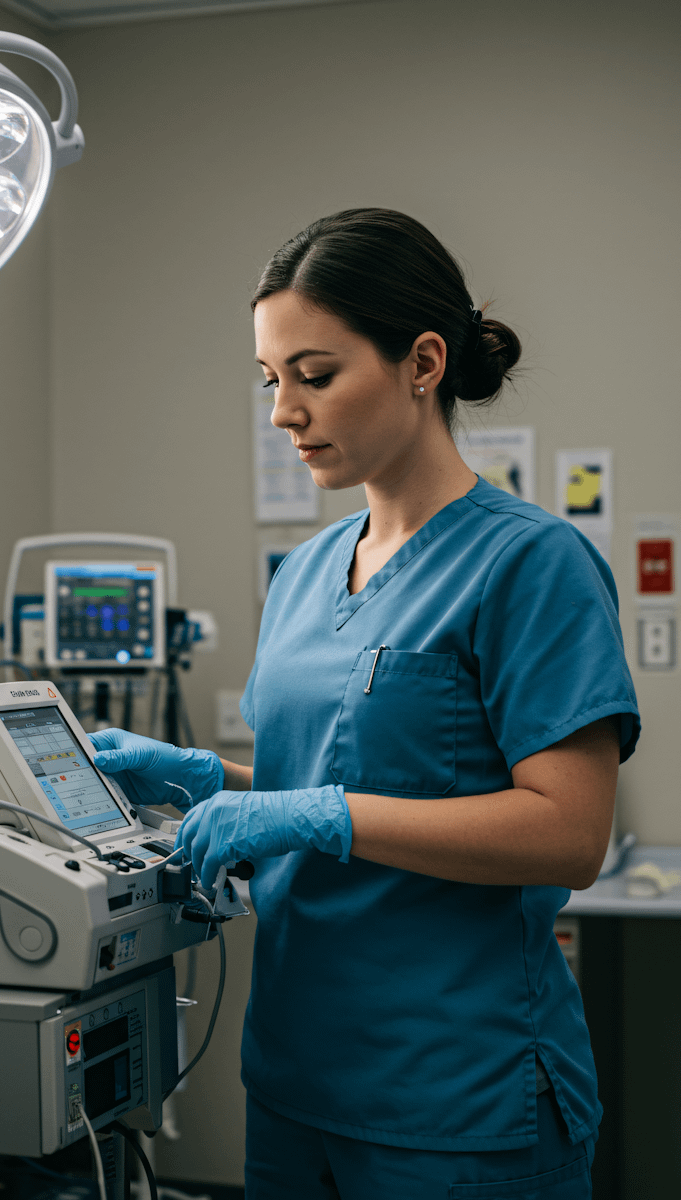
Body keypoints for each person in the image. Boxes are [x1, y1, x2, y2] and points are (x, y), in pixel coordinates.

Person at [91, 208, 640, 1198]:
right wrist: (213, 778)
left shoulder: (530, 563)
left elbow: (568, 832)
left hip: (456, 1096)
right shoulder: (304, 573)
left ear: (422, 361)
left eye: (315, 375)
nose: (282, 413)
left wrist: (312, 813)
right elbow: (358, 781)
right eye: (270, 381)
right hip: (298, 1080)